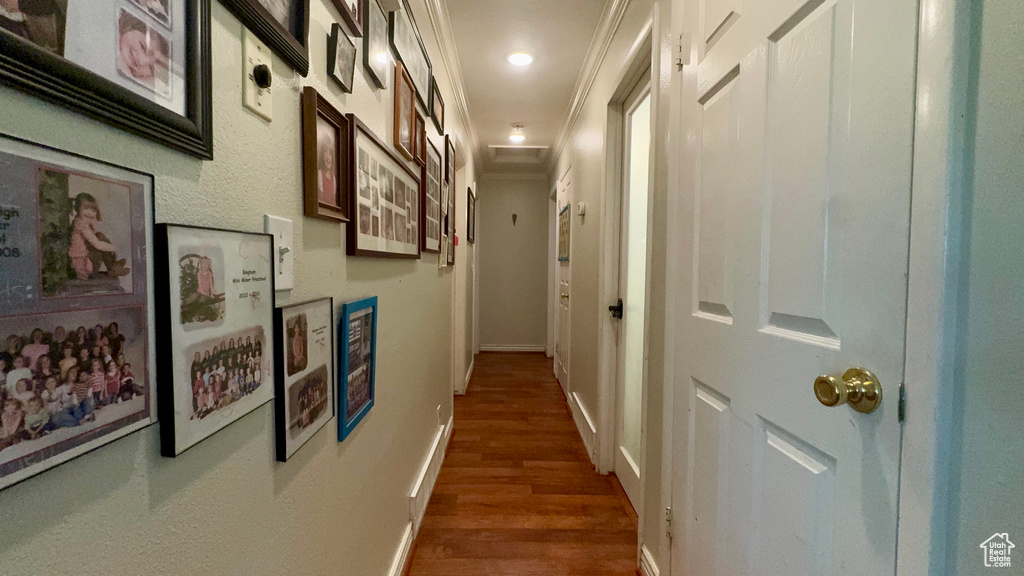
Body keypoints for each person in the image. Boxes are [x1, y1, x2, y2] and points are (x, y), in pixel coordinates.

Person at [68, 192, 129, 280]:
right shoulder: (80, 224)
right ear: (78, 208)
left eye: (93, 210)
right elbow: (97, 244)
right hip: (83, 268)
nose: (90, 213)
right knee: (100, 238)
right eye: (86, 208)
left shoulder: (84, 223)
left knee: (99, 235)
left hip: (85, 262)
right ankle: (112, 267)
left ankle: (113, 266)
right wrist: (114, 247)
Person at [318, 134, 337, 205]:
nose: (328, 157)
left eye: (330, 154)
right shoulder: (320, 174)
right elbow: (320, 199)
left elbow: (334, 201)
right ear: (322, 156)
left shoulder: (333, 178)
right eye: (325, 152)